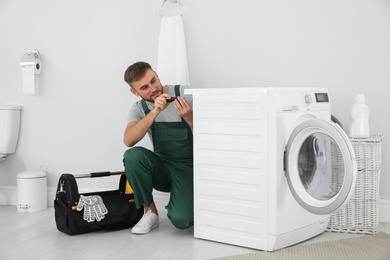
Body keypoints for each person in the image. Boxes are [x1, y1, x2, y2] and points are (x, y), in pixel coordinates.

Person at [122, 61, 194, 234]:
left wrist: (190, 118)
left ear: (156, 74)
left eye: (153, 80)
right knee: (132, 156)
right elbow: (128, 140)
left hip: (189, 169)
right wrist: (155, 111)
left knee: (181, 219)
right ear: (134, 92)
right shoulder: (139, 108)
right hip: (163, 168)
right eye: (145, 87)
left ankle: (187, 202)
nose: (153, 88)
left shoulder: (185, 94)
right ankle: (150, 212)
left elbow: (213, 136)